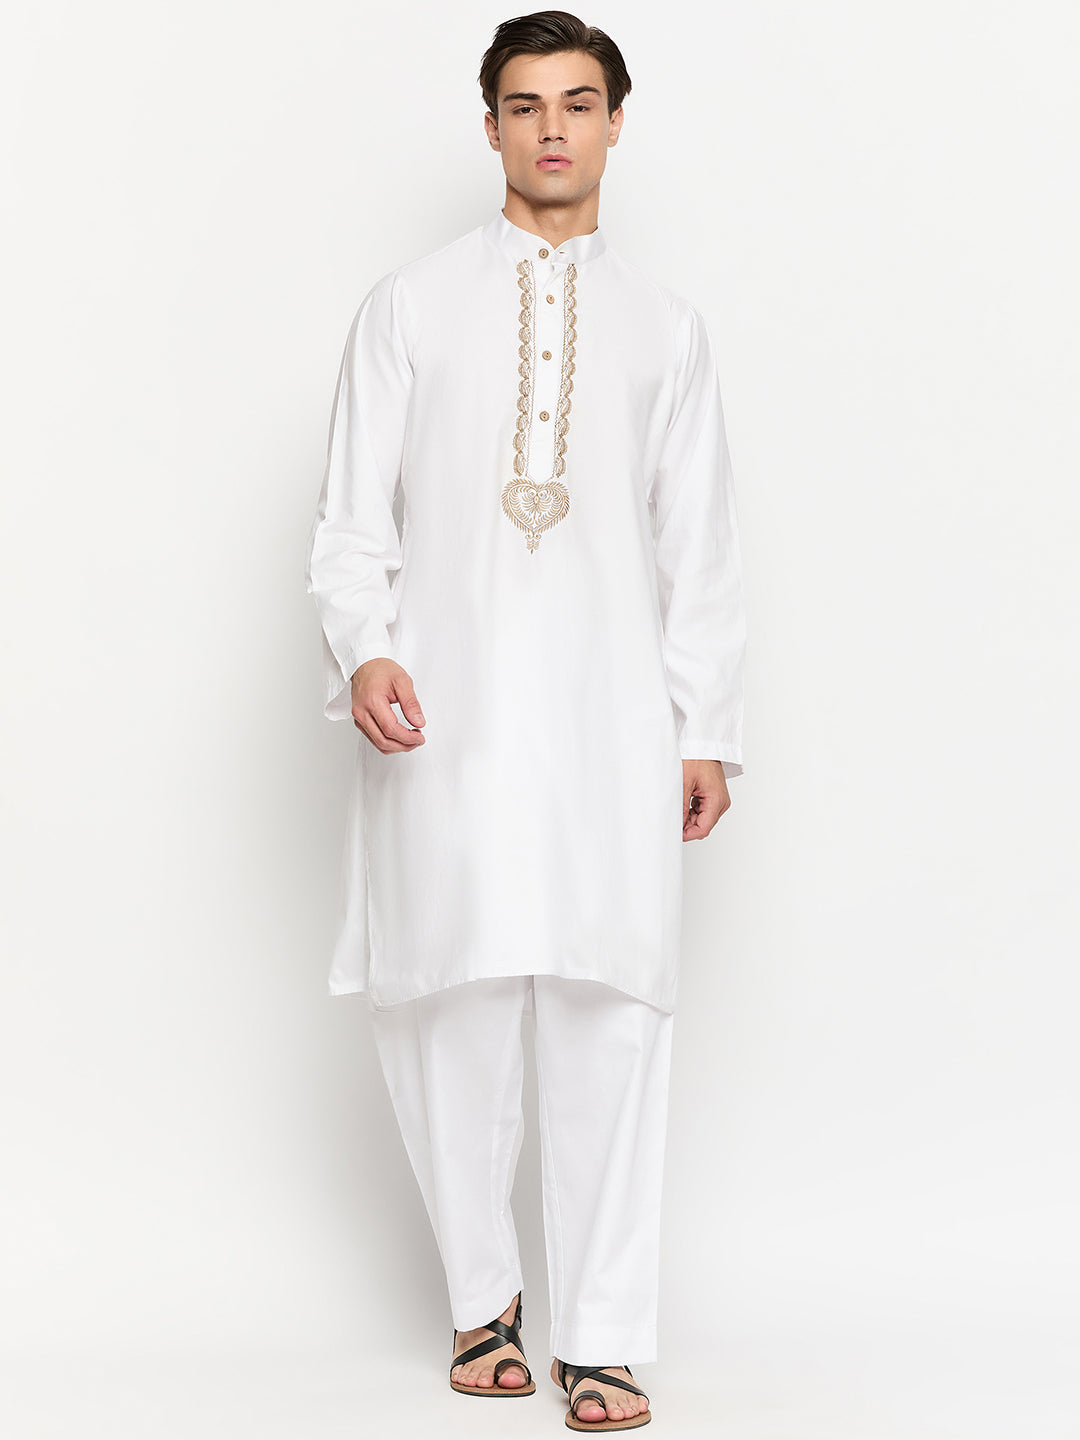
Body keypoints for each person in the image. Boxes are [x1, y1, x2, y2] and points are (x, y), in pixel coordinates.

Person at [304, 10, 746, 1431]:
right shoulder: (409, 305)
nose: (552, 127)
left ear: (617, 121)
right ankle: (480, 1304)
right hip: (449, 715)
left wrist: (703, 724)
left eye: (577, 102)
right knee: (456, 1001)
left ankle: (602, 1335)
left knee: (614, 1009)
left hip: (615, 722)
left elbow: (699, 546)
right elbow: (351, 520)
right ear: (489, 125)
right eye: (524, 104)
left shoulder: (668, 327)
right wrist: (367, 651)